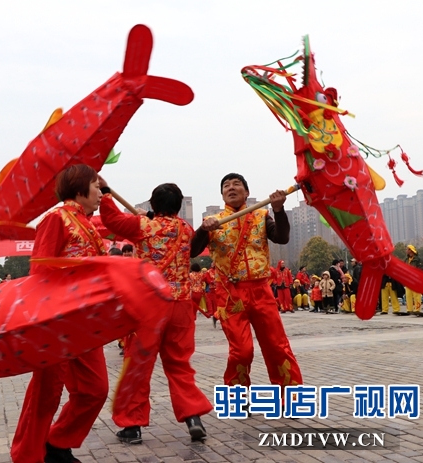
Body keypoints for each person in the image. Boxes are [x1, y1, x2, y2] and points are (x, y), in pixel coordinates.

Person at [99, 179, 212, 444]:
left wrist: (105, 193)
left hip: (150, 305)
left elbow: (112, 219)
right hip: (181, 305)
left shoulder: (143, 226)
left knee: (138, 364)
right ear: (179, 206)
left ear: (152, 204)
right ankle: (193, 416)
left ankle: (132, 425)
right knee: (179, 365)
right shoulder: (185, 229)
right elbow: (168, 229)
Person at [11, 164, 108, 463]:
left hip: (87, 322)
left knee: (96, 389)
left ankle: (58, 441)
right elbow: (40, 270)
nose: (101, 193)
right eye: (96, 186)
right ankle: (29, 453)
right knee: (46, 392)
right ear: (79, 189)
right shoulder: (55, 219)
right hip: (57, 319)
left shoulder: (89, 225)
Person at [191, 172, 303, 391]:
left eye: (236, 184)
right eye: (226, 186)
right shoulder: (212, 222)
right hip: (230, 295)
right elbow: (192, 251)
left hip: (261, 290)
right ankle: (236, 394)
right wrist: (203, 230)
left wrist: (278, 211)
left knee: (277, 345)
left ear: (247, 192)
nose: (231, 188)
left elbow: (281, 237)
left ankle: (290, 394)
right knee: (241, 350)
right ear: (222, 194)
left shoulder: (261, 215)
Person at [405, 245, 423, 317]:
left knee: (416, 295)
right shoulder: (406, 260)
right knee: (408, 295)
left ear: (411, 250)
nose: (406, 251)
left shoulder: (418, 260)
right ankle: (409, 309)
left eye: (407, 249)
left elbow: (421, 269)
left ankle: (417, 309)